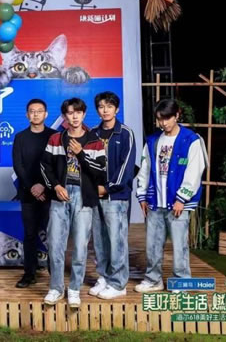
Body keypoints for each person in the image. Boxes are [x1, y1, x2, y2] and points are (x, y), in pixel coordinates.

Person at [135, 99, 207, 293]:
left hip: (178, 203)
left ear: (177, 115)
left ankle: (181, 281)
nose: (164, 123)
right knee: (152, 245)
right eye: (160, 119)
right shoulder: (152, 141)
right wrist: (142, 196)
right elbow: (145, 169)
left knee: (179, 245)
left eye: (167, 118)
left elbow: (195, 171)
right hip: (155, 202)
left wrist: (182, 198)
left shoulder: (191, 140)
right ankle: (153, 280)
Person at [41, 98, 106, 307]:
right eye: (70, 113)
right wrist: (55, 186)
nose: (74, 116)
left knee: (80, 246)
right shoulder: (55, 139)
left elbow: (100, 171)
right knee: (55, 244)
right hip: (59, 195)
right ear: (65, 116)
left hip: (84, 196)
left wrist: (81, 154)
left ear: (84, 114)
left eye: (78, 112)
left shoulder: (95, 141)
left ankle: (75, 289)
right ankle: (56, 288)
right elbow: (45, 166)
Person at [90, 91, 136, 299]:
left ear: (116, 109)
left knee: (117, 240)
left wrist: (107, 188)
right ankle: (104, 276)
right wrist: (93, 187)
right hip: (95, 195)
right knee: (99, 239)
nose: (105, 110)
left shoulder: (125, 133)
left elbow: (127, 167)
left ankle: (118, 284)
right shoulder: (93, 133)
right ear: (97, 110)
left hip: (116, 197)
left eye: (109, 106)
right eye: (101, 106)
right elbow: (87, 164)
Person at [12, 99, 56, 288]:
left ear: (46, 114)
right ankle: (29, 274)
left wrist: (44, 186)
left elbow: (57, 165)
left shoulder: (54, 136)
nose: (36, 114)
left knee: (53, 235)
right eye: (32, 111)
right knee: (29, 235)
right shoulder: (20, 137)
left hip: (50, 194)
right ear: (27, 114)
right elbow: (18, 165)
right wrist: (32, 187)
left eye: (39, 111)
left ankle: (55, 274)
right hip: (28, 194)